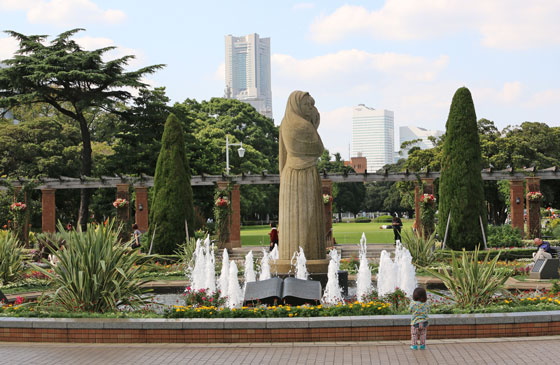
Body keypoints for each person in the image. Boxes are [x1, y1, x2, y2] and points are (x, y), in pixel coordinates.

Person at [278, 91, 326, 261]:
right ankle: (310, 255)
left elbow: (282, 154)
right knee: (308, 220)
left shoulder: (285, 123)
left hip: (289, 174)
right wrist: (314, 126)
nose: (311, 108)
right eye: (307, 105)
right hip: (305, 175)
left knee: (291, 221)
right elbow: (319, 149)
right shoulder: (303, 126)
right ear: (297, 105)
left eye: (311, 105)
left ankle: (289, 257)